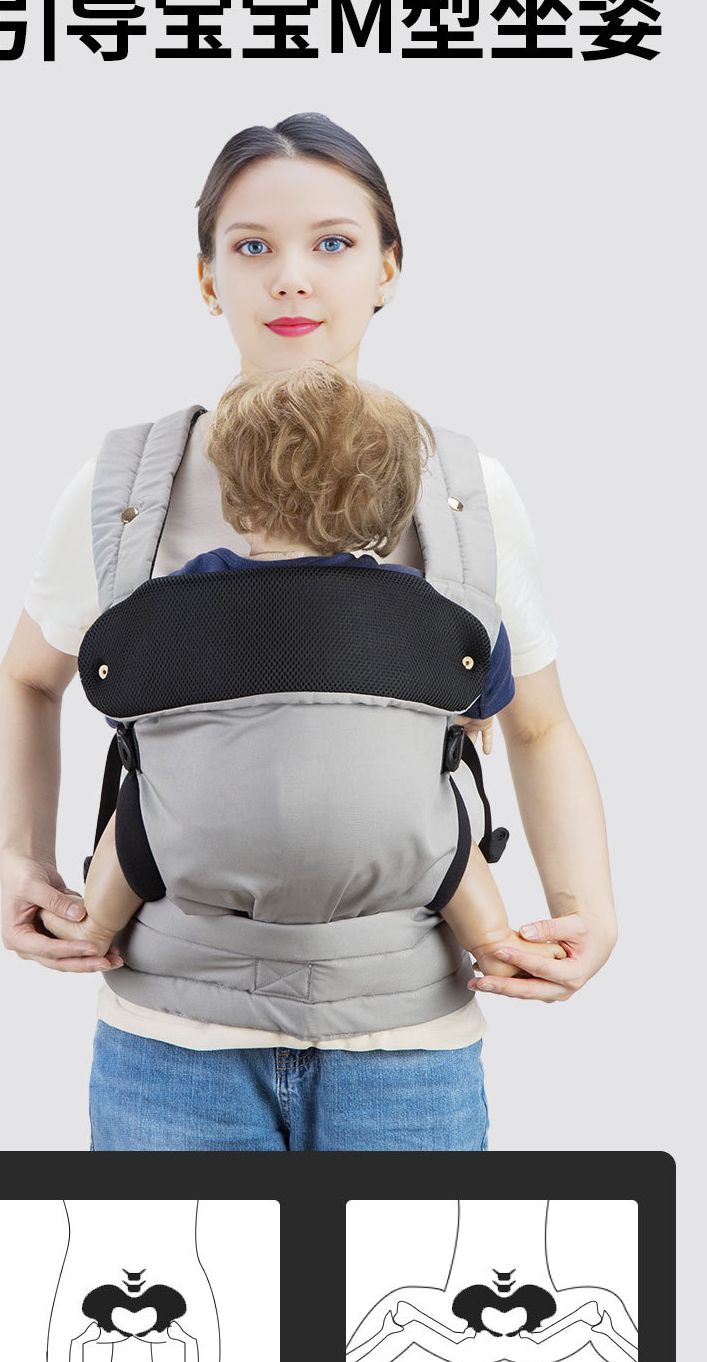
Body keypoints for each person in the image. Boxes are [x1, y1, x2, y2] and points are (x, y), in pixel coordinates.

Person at [0, 111, 617, 1153]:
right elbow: (25, 680)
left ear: (387, 267)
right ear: (206, 277)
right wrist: (20, 863)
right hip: (169, 1046)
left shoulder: (463, 492)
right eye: (250, 247)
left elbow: (537, 724)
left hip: (408, 1048)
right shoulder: (126, 489)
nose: (290, 279)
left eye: (332, 242)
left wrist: (586, 908)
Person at [41, 361, 565, 993]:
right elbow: (484, 679)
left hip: (194, 836)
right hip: (389, 839)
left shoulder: (172, 599)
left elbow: (123, 701)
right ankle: (494, 941)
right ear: (386, 505)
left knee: (138, 814)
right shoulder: (425, 607)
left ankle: (93, 926)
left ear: (235, 497)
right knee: (448, 840)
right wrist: (473, 715)